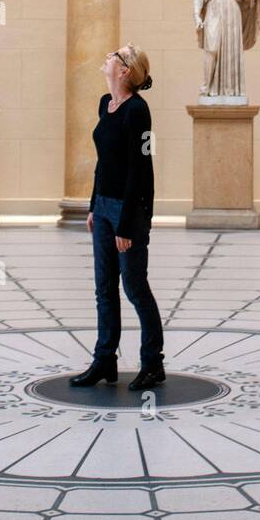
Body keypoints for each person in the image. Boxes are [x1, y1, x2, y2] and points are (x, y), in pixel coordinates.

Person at [70, 44, 165, 392]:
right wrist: (94, 205)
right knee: (104, 288)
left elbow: (141, 169)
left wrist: (127, 224)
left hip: (130, 211)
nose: (108, 56)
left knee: (135, 287)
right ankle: (105, 359)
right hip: (105, 207)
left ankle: (153, 363)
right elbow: (104, 162)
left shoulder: (138, 111)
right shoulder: (104, 104)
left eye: (115, 54)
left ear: (125, 70)